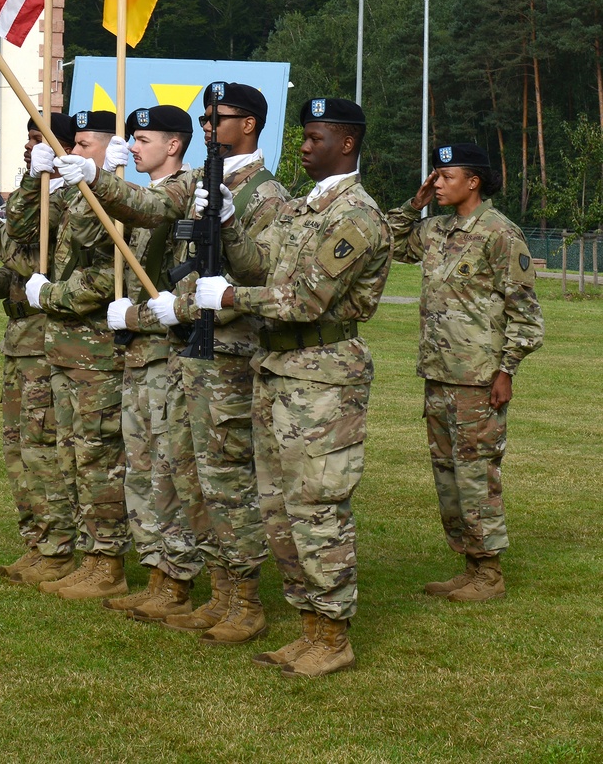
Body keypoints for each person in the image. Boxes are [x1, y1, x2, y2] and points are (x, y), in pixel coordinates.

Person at [78, 83, 289, 644]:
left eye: (220, 118)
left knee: (226, 483)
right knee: (190, 479)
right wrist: (99, 177)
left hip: (232, 355)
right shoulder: (199, 181)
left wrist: (176, 306)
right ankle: (217, 591)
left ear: (250, 124)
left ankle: (243, 598)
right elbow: (152, 206)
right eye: (205, 117)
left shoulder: (268, 197)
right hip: (189, 354)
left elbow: (261, 277)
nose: (209, 126)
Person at [196, 97, 391, 678]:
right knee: (279, 511)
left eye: (315, 138)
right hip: (278, 372)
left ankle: (333, 635)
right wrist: (229, 224)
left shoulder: (354, 215)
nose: (304, 147)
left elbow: (305, 299)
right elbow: (260, 268)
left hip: (324, 376)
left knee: (318, 508)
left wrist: (229, 299)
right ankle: (309, 627)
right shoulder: (307, 210)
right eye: (303, 137)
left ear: (347, 142)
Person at [387, 143, 543, 602]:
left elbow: (527, 315)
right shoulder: (435, 229)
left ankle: (489, 573)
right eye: (434, 175)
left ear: (473, 182)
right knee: (447, 474)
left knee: (477, 473)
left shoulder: (500, 234)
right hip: (438, 371)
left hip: (477, 376)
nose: (436, 182)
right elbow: (392, 243)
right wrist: (413, 205)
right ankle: (470, 564)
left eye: (445, 176)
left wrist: (506, 370)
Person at [0, 113, 79, 587]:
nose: (29, 148)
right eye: (27, 140)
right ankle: (37, 541)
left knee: (43, 448)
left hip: (48, 340)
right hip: (20, 340)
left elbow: (33, 262)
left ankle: (58, 547)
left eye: (38, 141)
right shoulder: (36, 196)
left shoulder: (68, 202)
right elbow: (19, 276)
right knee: (18, 449)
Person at [9, 110, 130, 600]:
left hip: (97, 350)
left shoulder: (119, 200)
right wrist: (32, 176)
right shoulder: (76, 200)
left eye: (83, 145)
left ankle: (106, 563)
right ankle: (84, 552)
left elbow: (110, 268)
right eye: (71, 145)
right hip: (63, 349)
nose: (72, 154)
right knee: (69, 456)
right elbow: (21, 230)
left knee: (99, 458)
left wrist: (112, 183)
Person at [97, 105, 204, 623]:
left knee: (168, 469)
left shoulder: (185, 190)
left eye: (143, 139)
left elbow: (150, 208)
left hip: (167, 352)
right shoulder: (144, 193)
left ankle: (176, 577)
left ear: (174, 145)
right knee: (141, 468)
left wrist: (99, 175)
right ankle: (155, 568)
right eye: (132, 140)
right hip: (137, 354)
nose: (135, 147)